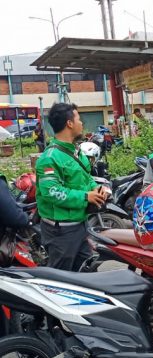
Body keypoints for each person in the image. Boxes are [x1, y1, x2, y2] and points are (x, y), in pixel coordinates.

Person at [35, 103, 107, 271]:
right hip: (61, 232)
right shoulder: (50, 158)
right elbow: (51, 192)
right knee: (62, 279)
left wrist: (96, 188)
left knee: (87, 271)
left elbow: (86, 177)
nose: (82, 123)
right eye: (78, 119)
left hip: (80, 225)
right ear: (69, 123)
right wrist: (85, 197)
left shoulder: (76, 151)